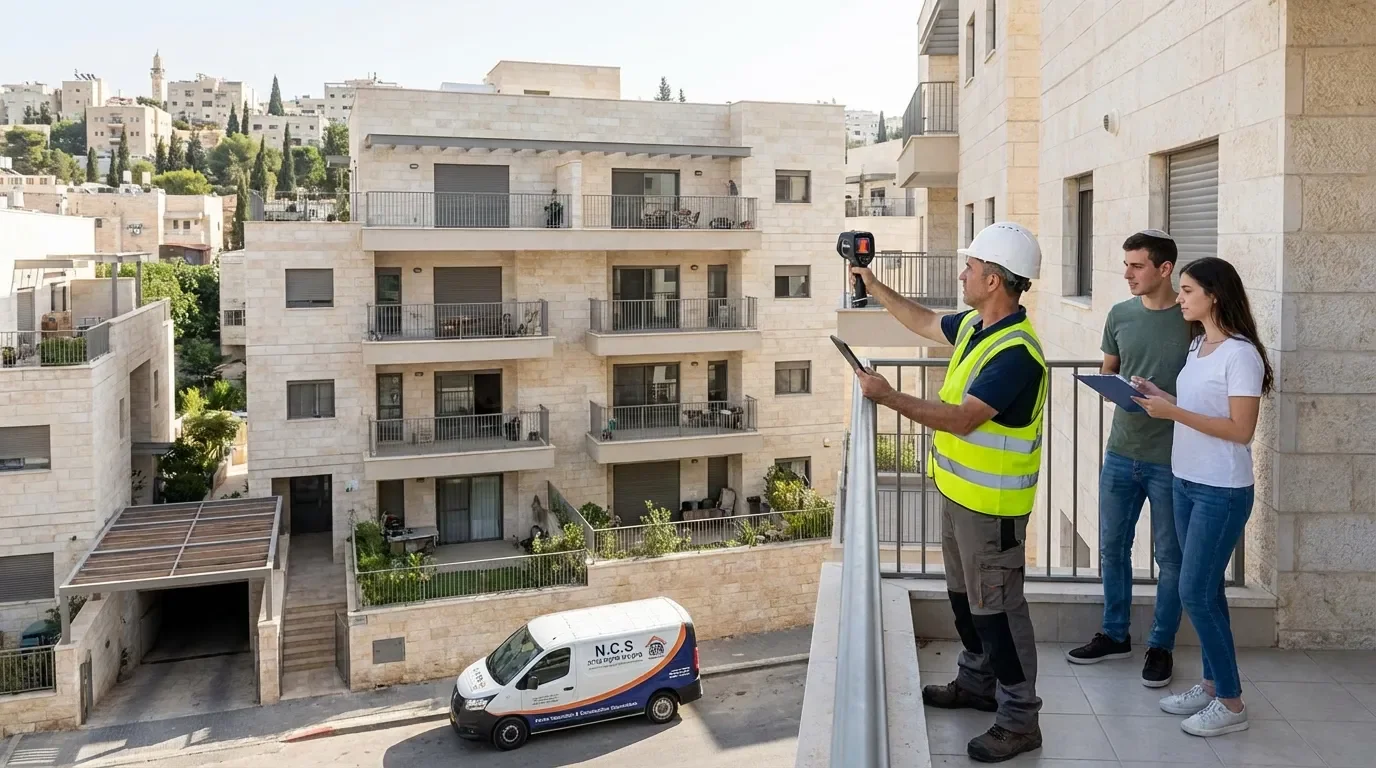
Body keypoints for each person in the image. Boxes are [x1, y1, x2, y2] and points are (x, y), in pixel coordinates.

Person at [851, 222, 1048, 763]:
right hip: (959, 497)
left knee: (999, 614)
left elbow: (962, 419)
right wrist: (874, 285)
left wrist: (888, 396)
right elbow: (921, 320)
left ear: (992, 280)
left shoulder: (1016, 355)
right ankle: (976, 682)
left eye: (969, 267)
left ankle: (1019, 719)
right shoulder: (975, 328)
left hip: (993, 511)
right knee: (966, 605)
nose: (961, 273)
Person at [1131, 256, 1272, 738]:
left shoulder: (1241, 354)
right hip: (1186, 481)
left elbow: (1240, 429)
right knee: (1208, 591)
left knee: (1194, 590)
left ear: (1214, 294)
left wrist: (1173, 414)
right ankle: (1213, 686)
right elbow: (1196, 407)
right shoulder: (1199, 347)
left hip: (1222, 490)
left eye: (1188, 290)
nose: (1181, 297)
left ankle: (1231, 702)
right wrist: (1160, 397)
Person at [1066, 230, 1190, 688]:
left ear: (1164, 269)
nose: (1127, 274)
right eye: (1126, 265)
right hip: (1121, 451)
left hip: (1173, 459)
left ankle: (1161, 647)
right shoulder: (1119, 314)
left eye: (1136, 266)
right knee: (1111, 548)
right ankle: (1115, 634)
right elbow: (1108, 370)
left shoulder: (1193, 317)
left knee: (1169, 557)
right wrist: (1113, 388)